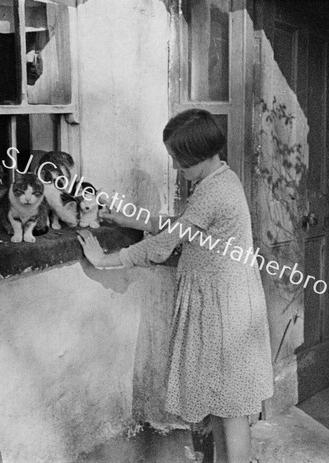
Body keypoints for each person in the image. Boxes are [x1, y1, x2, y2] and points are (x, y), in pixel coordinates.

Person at [77, 109, 273, 463]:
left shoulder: (213, 193)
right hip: (225, 303)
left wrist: (105, 259)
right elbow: (182, 224)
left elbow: (163, 245)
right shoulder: (220, 181)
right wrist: (128, 217)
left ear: (197, 158)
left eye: (179, 162)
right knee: (222, 402)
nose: (176, 169)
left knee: (230, 410)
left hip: (223, 311)